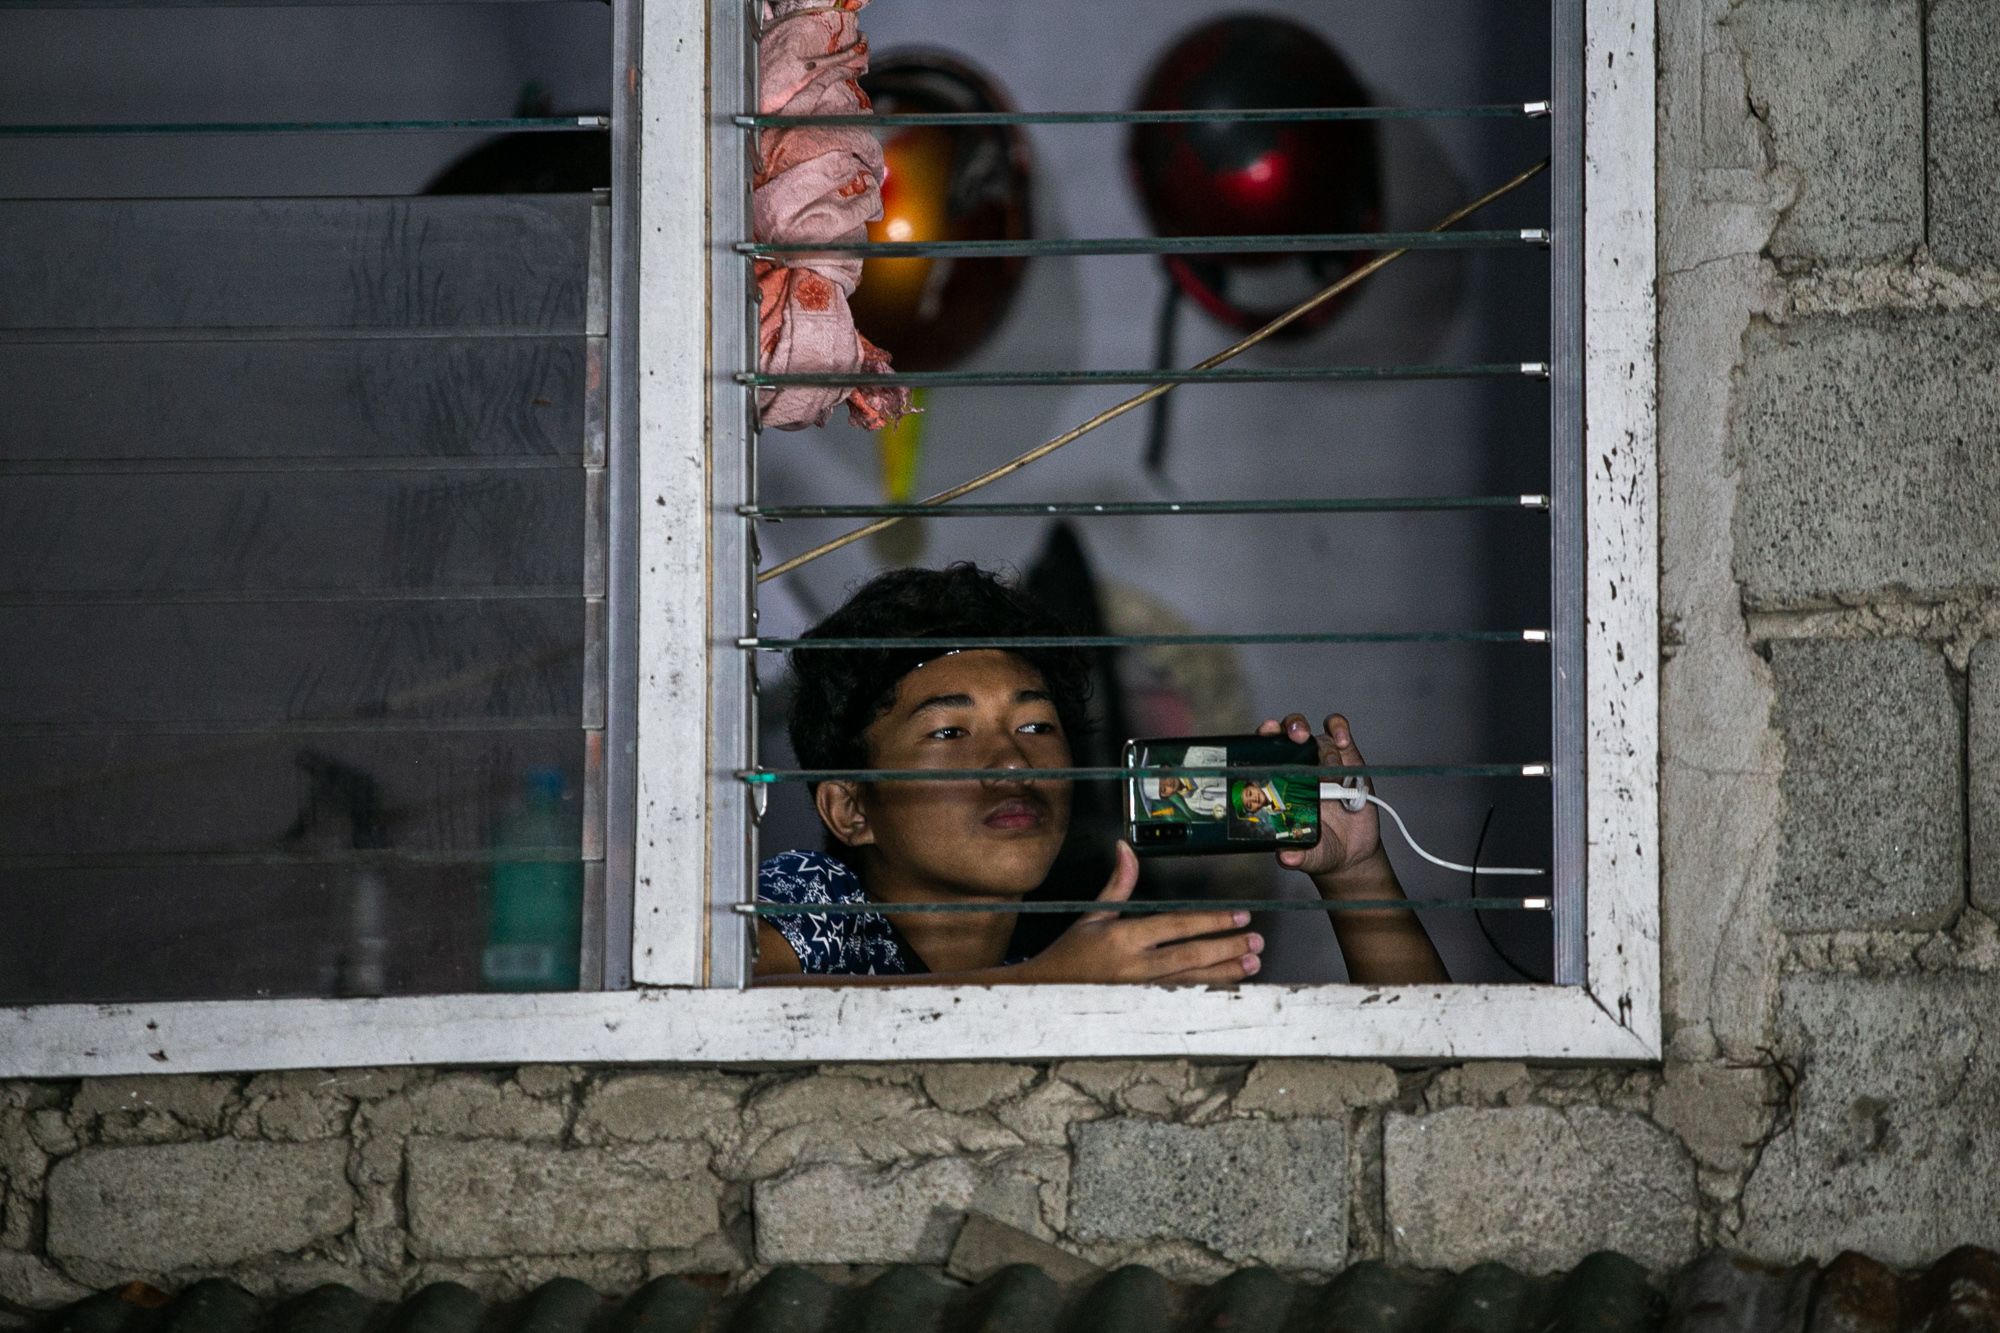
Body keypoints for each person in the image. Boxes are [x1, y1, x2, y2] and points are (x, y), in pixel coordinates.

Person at [755, 564, 1446, 985]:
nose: (1011, 762)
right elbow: (732, 1008)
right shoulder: (811, 903)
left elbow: (1430, 1082)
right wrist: (1040, 989)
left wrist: (1357, 873)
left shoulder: (1090, 939)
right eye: (949, 732)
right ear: (851, 808)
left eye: (1035, 726)